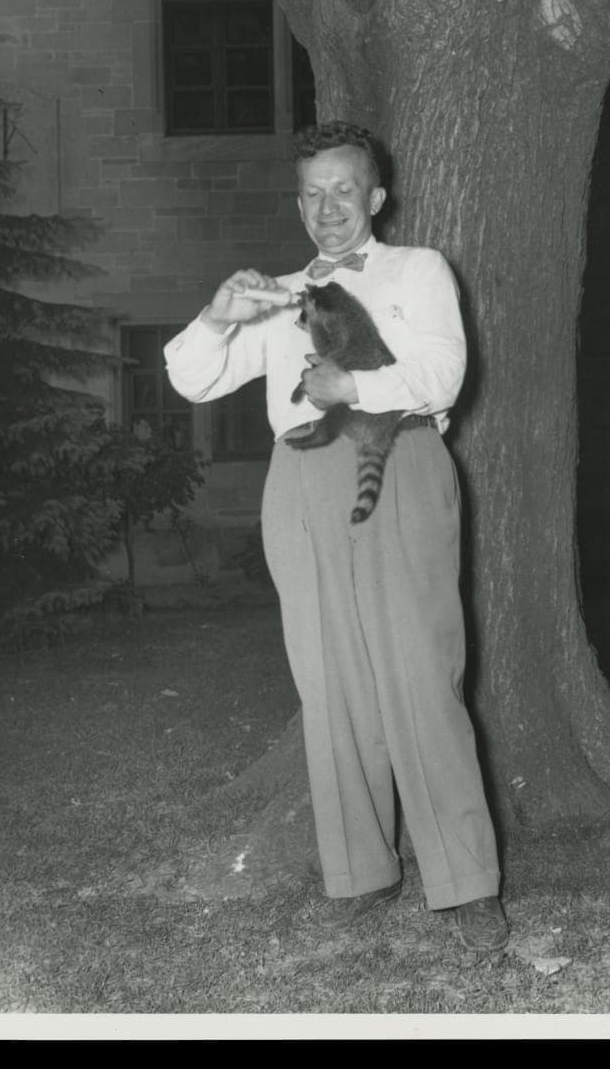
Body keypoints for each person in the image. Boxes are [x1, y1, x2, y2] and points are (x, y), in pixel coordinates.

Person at [164, 121, 508, 952]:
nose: (328, 207)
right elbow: (190, 377)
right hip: (301, 482)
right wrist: (219, 315)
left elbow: (442, 371)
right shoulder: (277, 292)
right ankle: (360, 871)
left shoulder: (418, 270)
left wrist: (354, 381)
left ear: (376, 197)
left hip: (397, 458)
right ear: (298, 202)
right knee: (329, 679)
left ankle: (465, 885)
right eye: (313, 192)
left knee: (422, 671)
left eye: (344, 189)